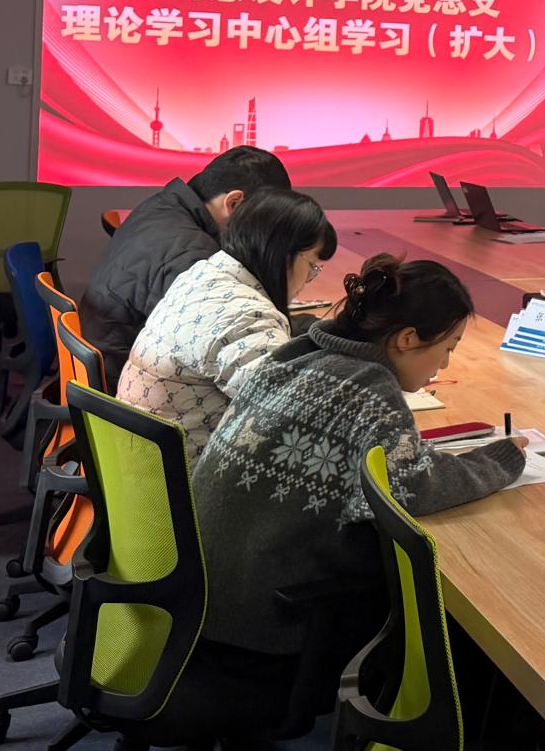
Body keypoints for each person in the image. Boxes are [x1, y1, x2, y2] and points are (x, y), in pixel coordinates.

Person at [190, 255, 526, 720]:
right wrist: (501, 459)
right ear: (407, 338)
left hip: (198, 606)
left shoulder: (297, 353)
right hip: (263, 632)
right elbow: (415, 486)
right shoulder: (368, 390)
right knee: (459, 628)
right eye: (447, 347)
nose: (445, 363)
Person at [117, 188, 335, 462]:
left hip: (141, 464)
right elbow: (295, 420)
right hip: (181, 480)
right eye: (312, 266)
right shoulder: (246, 316)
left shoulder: (204, 274)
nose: (309, 280)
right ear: (280, 254)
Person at [80, 146, 291, 378]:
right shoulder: (192, 255)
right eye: (264, 219)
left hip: (105, 355)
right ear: (234, 203)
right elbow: (222, 340)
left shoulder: (164, 206)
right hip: (122, 380)